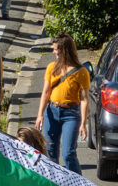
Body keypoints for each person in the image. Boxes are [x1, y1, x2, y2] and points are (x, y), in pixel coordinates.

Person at [35, 33, 90, 174]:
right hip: (52, 111)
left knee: (68, 154)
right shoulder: (51, 67)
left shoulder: (82, 72)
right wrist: (40, 114)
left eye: (55, 49)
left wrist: (83, 123)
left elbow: (84, 99)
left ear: (64, 51)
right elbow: (46, 92)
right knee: (50, 152)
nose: (53, 52)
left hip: (71, 113)